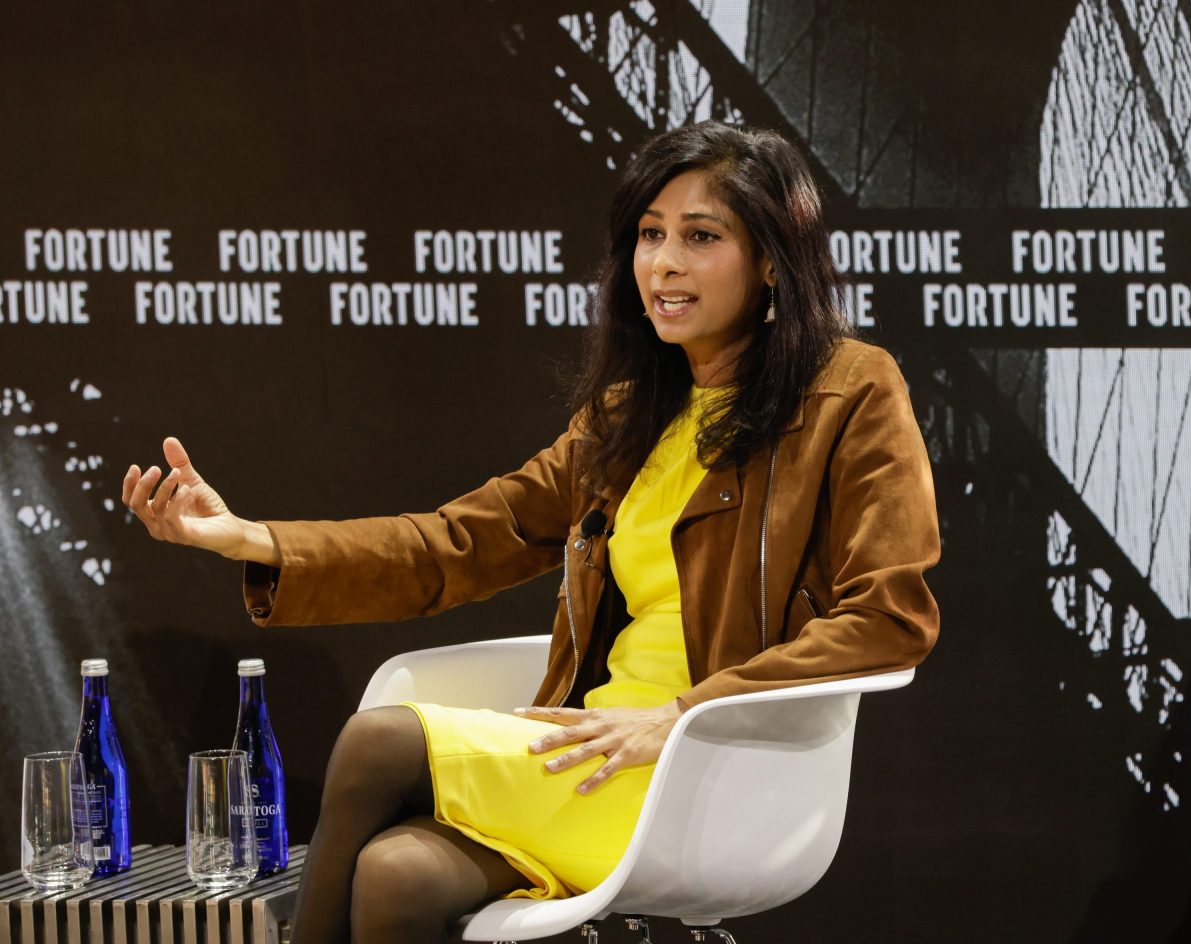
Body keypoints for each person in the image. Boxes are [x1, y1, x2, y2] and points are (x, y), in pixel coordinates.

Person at [121, 121, 940, 944]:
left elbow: (888, 619)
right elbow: (456, 544)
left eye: (701, 237)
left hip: (709, 765)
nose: (664, 263)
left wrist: (681, 713)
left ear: (770, 259)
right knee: (396, 874)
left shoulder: (850, 390)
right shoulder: (625, 417)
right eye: (649, 235)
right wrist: (252, 540)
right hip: (590, 746)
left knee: (377, 743)